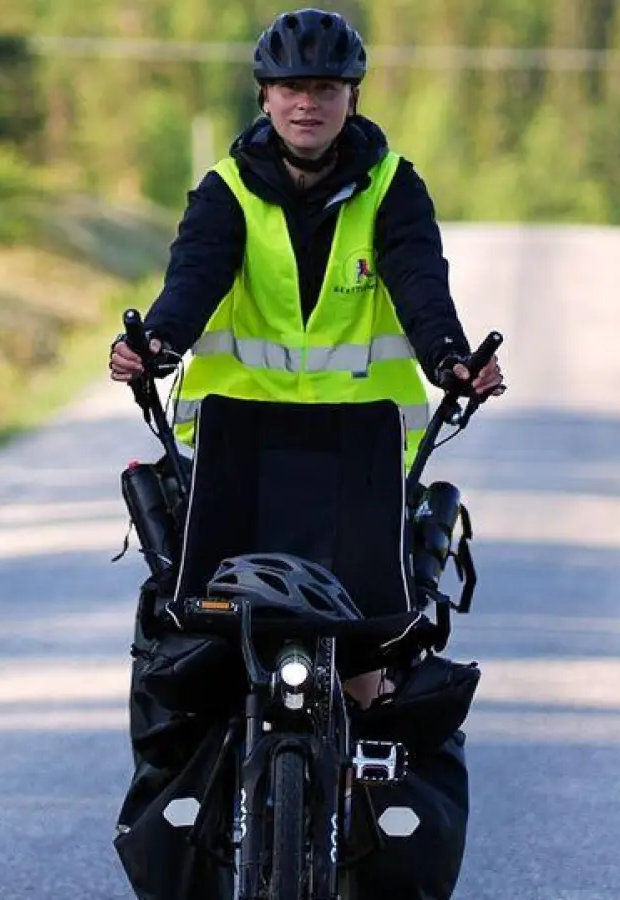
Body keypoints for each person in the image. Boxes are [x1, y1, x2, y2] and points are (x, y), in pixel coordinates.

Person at [108, 9, 503, 899]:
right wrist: (159, 345)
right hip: (241, 450)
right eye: (291, 89)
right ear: (265, 97)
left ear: (350, 97)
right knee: (206, 646)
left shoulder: (394, 184)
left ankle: (367, 828)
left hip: (360, 453)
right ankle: (217, 805)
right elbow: (194, 277)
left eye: (325, 89)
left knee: (367, 656)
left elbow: (419, 280)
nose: (307, 104)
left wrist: (451, 360)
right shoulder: (225, 188)